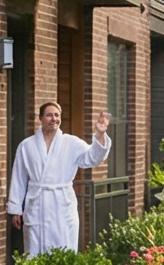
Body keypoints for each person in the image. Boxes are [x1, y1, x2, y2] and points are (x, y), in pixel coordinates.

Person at [7, 102, 113, 257]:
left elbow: (92, 158)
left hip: (61, 205)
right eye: (49, 115)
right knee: (35, 252)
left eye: (57, 115)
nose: (53, 119)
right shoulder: (26, 146)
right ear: (40, 118)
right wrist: (16, 209)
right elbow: (19, 178)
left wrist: (100, 134)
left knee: (63, 248)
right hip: (37, 204)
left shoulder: (71, 143)